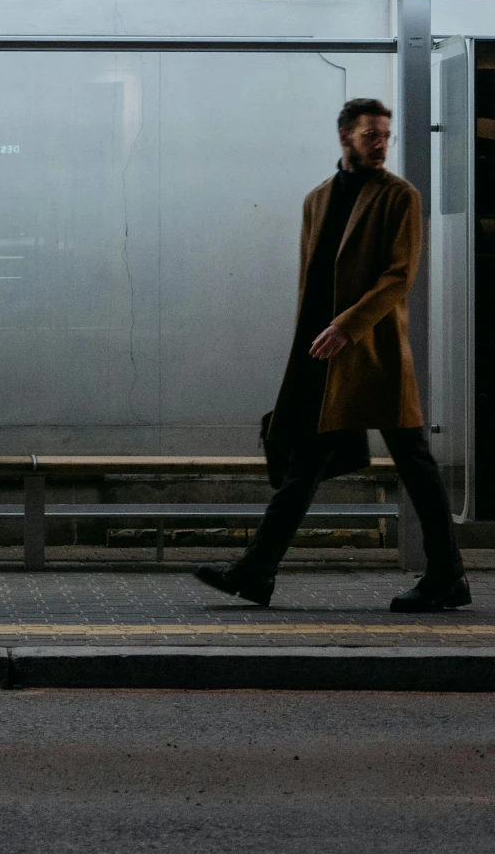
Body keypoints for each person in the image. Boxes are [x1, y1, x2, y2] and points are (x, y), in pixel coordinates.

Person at [195, 97, 470, 612]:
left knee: (414, 461)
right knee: (303, 466)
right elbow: (313, 284)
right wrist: (314, 344)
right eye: (371, 135)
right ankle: (257, 571)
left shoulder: (399, 197)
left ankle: (447, 575)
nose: (381, 144)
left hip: (374, 353)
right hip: (324, 356)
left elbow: (399, 278)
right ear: (344, 136)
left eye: (385, 135)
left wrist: (347, 327)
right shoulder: (317, 200)